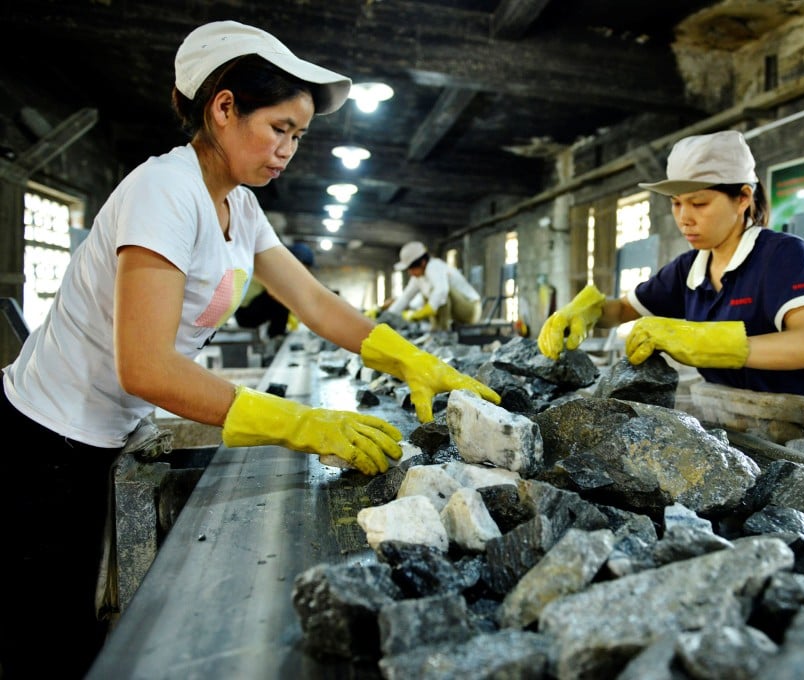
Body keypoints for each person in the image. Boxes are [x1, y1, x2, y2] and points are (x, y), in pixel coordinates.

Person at [0, 20, 498, 679]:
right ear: (224, 108)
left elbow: (314, 301)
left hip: (95, 436)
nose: (289, 149)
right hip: (43, 443)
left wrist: (410, 358)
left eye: (298, 136)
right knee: (42, 637)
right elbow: (146, 367)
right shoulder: (165, 192)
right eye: (279, 128)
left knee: (68, 625)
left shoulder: (238, 205)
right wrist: (297, 423)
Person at [537, 130, 804, 474]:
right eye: (676, 203)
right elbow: (622, 309)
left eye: (699, 203)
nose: (684, 218)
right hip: (752, 433)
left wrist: (698, 341)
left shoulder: (782, 254)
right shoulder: (689, 268)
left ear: (743, 198)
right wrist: (584, 310)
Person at [387, 240, 482, 331]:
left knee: (439, 294)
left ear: (423, 262)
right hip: (457, 314)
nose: (410, 273)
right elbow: (406, 297)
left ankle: (441, 332)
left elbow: (442, 291)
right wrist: (388, 316)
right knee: (428, 295)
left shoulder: (434, 266)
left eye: (411, 268)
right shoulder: (418, 278)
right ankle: (436, 331)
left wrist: (427, 310)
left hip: (471, 311)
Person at [234, 241, 315, 340]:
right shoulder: (274, 268)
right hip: (244, 314)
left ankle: (276, 333)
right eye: (302, 268)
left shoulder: (279, 270)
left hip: (250, 309)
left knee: (283, 296)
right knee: (280, 297)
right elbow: (276, 295)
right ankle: (276, 335)